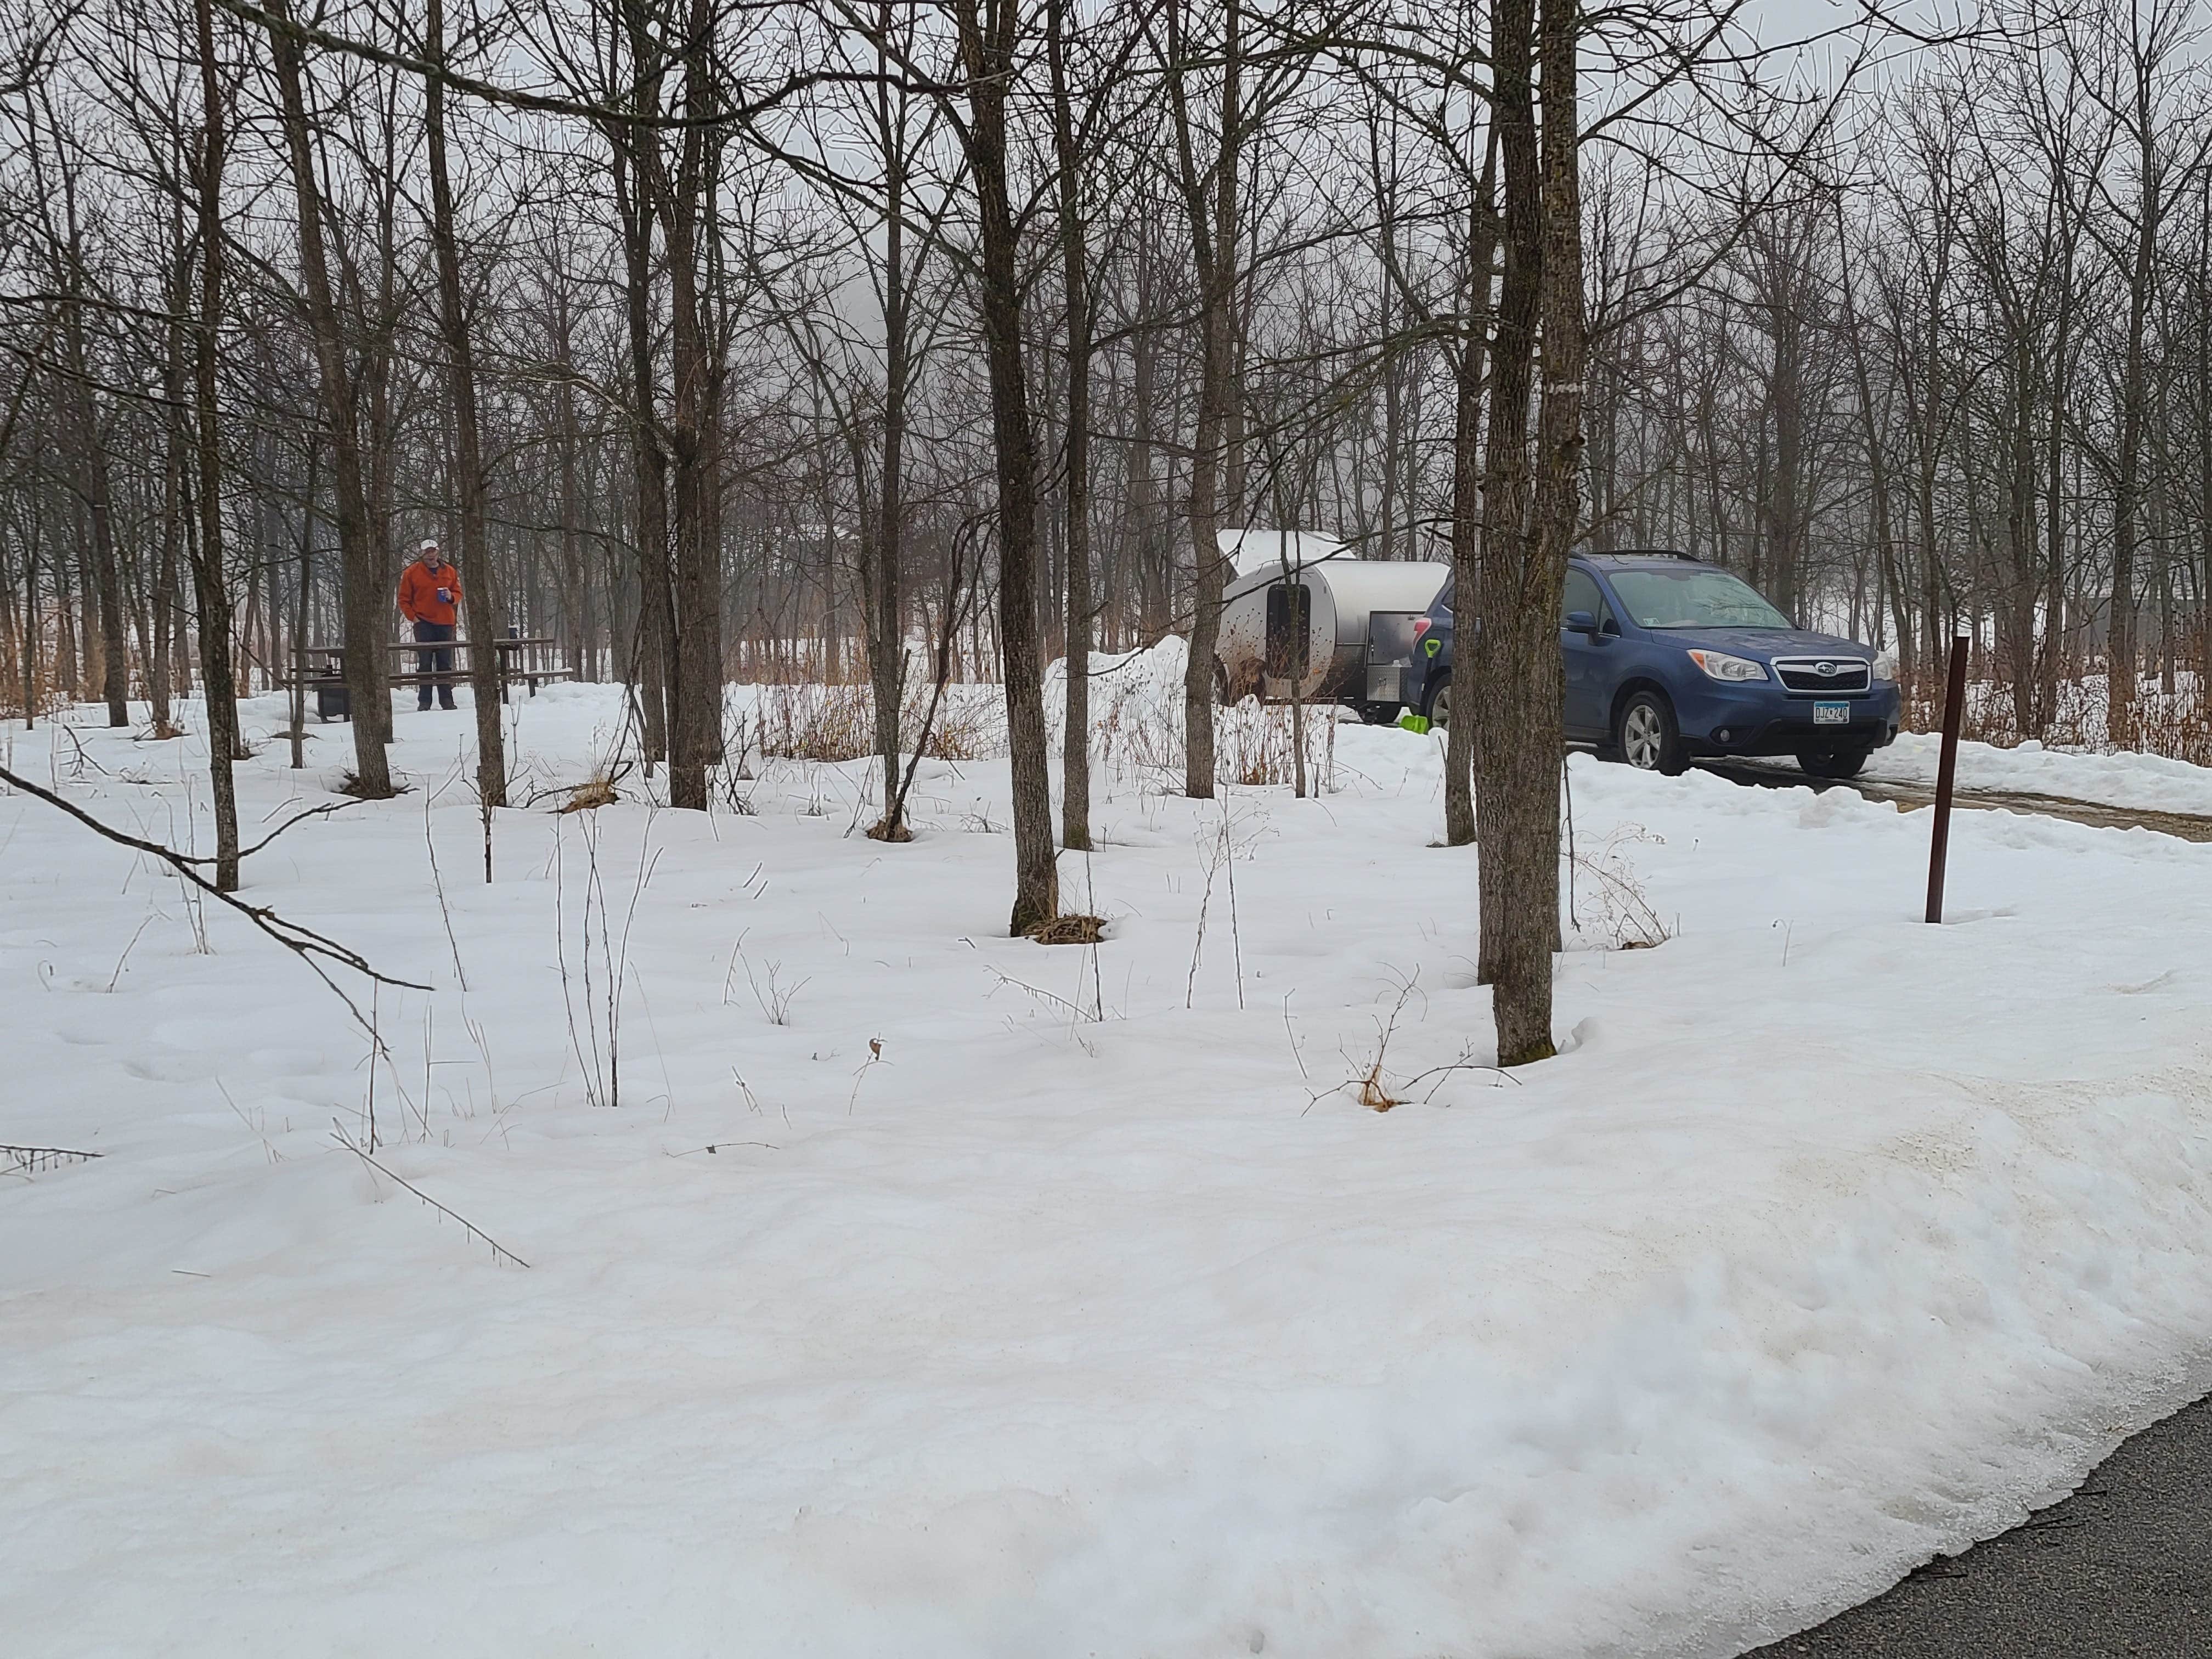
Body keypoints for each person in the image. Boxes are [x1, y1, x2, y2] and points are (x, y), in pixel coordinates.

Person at [397, 538, 463, 711]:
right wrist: (414, 617)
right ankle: (424, 702)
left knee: (445, 664)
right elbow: (403, 599)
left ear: (438, 552)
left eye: (433, 550)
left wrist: (451, 596)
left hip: (445, 622)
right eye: (427, 551)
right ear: (422, 553)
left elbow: (458, 593)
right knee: (425, 663)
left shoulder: (449, 571)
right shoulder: (412, 573)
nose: (431, 554)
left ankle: (447, 701)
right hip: (423, 622)